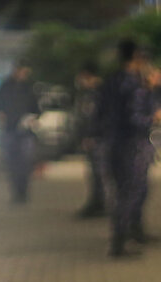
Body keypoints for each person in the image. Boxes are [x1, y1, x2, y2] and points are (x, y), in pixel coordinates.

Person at [92, 40, 155, 258]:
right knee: (131, 193)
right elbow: (135, 119)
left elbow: (98, 112)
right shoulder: (134, 85)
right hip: (131, 144)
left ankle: (126, 236)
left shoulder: (109, 82)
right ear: (136, 57)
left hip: (111, 143)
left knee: (120, 193)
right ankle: (120, 243)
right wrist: (154, 117)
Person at [0, 60, 41, 203]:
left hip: (26, 132)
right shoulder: (6, 86)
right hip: (9, 130)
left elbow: (37, 109)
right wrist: (0, 115)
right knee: (11, 163)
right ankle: (16, 193)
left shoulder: (30, 87)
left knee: (25, 163)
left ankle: (23, 192)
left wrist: (32, 119)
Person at [72, 62, 105, 218]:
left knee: (100, 174)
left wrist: (93, 136)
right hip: (90, 139)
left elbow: (100, 119)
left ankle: (101, 204)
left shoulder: (101, 93)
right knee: (94, 174)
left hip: (98, 140)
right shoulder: (85, 94)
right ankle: (96, 203)